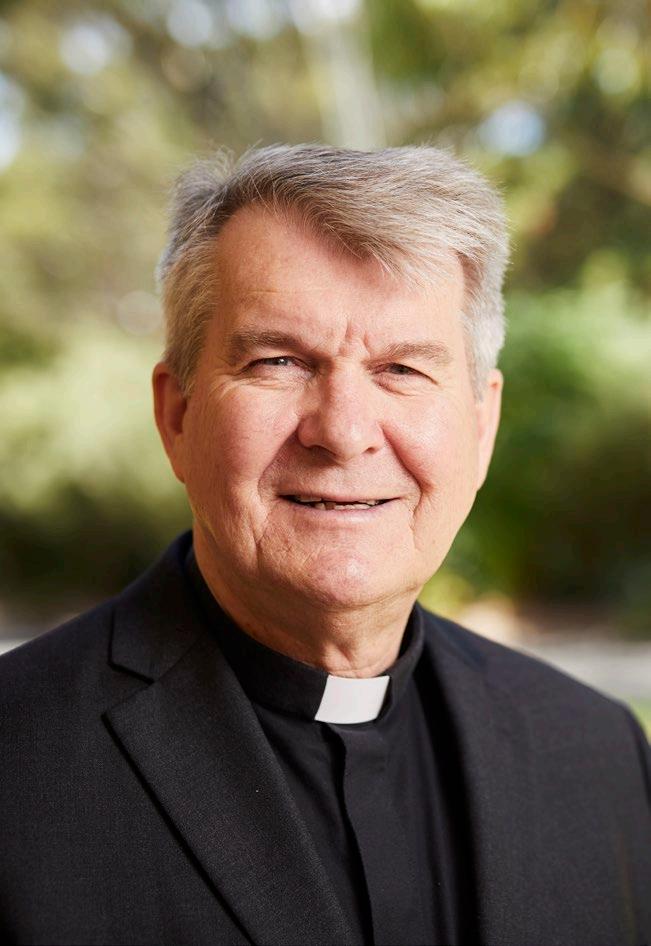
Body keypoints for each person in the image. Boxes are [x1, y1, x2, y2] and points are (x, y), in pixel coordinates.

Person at [0, 144, 649, 946]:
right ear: (177, 416)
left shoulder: (597, 755)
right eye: (278, 361)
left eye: (402, 369)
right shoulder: (15, 763)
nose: (342, 432)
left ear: (481, 427)